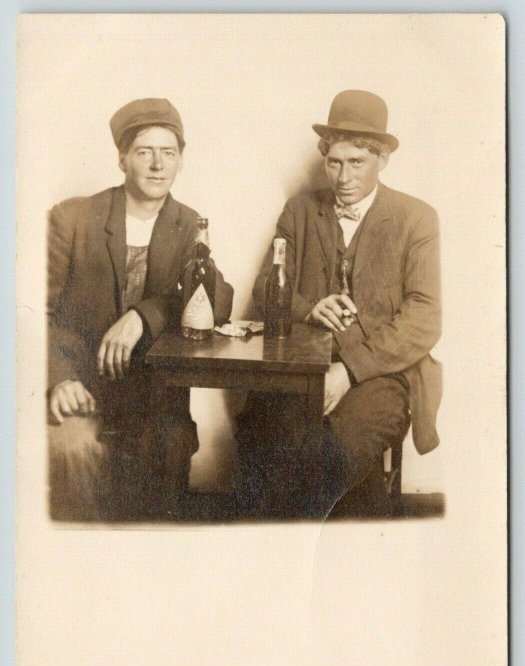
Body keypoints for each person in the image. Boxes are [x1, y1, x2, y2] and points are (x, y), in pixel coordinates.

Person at [236, 90, 441, 519]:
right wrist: (306, 309)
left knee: (340, 448)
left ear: (382, 159)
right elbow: (263, 289)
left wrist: (349, 371)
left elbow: (424, 316)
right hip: (301, 366)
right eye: (334, 162)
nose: (343, 176)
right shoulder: (299, 211)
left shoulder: (416, 218)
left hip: (381, 376)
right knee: (269, 436)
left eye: (357, 163)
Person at [48, 98, 233, 521]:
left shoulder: (188, 224)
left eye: (169, 153)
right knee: (72, 449)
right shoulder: (73, 218)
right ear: (122, 159)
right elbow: (25, 313)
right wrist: (58, 380)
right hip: (80, 387)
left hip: (153, 397)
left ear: (180, 161)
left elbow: (218, 298)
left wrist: (143, 316)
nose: (157, 165)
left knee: (169, 444)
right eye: (145, 152)